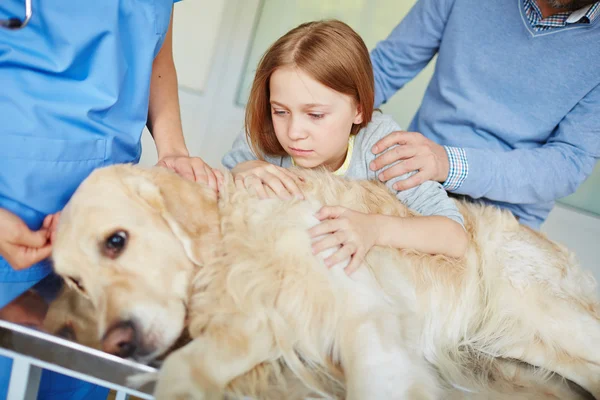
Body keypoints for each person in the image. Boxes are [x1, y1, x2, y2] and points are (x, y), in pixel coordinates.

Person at [0, 1, 216, 399]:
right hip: (11, 213)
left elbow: (155, 43)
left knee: (82, 381)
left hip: (112, 207)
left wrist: (173, 147)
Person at [222, 20, 468, 275]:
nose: (294, 132)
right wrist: (245, 168)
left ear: (359, 109)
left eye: (315, 115)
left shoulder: (384, 147)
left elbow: (454, 236)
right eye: (280, 111)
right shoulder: (263, 132)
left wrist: (375, 228)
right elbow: (226, 182)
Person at [368, 0, 600, 229]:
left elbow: (569, 162)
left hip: (504, 217)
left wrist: (448, 163)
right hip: (416, 178)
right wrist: (340, 99)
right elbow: (386, 66)